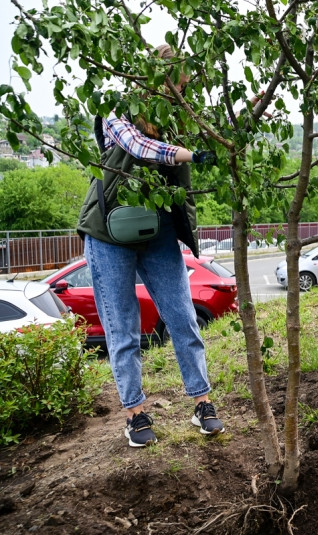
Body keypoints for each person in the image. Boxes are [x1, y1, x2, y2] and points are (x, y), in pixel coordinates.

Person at [77, 44, 225, 448]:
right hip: (109, 232)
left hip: (157, 230)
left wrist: (246, 113)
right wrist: (190, 155)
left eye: (186, 85)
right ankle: (135, 414)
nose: (183, 90)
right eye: (178, 82)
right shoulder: (117, 110)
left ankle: (202, 403)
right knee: (122, 326)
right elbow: (139, 146)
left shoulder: (177, 119)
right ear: (158, 78)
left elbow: (214, 131)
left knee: (183, 317)